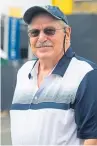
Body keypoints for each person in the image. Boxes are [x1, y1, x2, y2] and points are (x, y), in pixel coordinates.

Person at [10, 5, 97, 145]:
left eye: (49, 31)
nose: (41, 38)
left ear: (67, 33)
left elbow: (93, 139)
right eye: (34, 32)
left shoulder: (85, 74)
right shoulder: (24, 72)